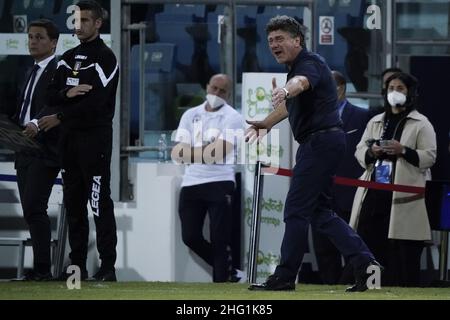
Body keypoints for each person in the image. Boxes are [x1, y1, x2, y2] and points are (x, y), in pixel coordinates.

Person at [245, 15, 378, 292]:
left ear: (297, 40)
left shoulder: (308, 64)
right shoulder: (297, 67)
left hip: (320, 143)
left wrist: (285, 89)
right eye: (270, 41)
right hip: (322, 142)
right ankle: (366, 265)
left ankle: (283, 277)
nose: (274, 45)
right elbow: (293, 100)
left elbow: (301, 84)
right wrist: (267, 123)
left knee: (296, 209)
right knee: (320, 213)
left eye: (280, 39)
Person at [38, 0, 119, 282]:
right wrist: (67, 96)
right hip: (69, 141)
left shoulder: (106, 58)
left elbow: (97, 101)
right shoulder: (67, 57)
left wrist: (61, 114)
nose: (79, 25)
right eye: (76, 20)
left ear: (98, 24)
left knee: (98, 202)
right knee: (73, 205)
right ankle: (77, 267)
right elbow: (49, 94)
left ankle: (108, 267)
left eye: (85, 20)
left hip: (94, 139)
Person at [350, 72, 437, 287]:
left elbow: (429, 156)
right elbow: (359, 150)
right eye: (390, 88)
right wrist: (372, 151)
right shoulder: (376, 121)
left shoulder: (421, 123)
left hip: (403, 197)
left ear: (410, 93)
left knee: (402, 250)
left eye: (400, 88)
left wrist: (403, 150)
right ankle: (371, 286)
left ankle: (405, 288)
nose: (394, 93)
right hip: (374, 194)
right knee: (370, 242)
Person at [171, 74, 244, 282]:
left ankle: (221, 283)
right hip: (191, 181)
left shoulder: (233, 117)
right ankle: (229, 270)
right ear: (206, 87)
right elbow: (176, 153)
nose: (217, 94)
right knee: (190, 237)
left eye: (222, 91)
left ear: (228, 94)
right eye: (214, 88)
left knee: (220, 239)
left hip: (221, 182)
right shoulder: (190, 115)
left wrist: (192, 151)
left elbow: (218, 154)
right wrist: (205, 150)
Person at [10, 19, 60, 281]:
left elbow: (57, 103)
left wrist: (35, 123)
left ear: (53, 43)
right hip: (23, 147)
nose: (33, 42)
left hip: (45, 148)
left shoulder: (58, 70)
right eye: (30, 37)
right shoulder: (27, 71)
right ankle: (41, 269)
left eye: (39, 37)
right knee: (30, 211)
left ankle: (43, 269)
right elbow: (21, 105)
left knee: (34, 206)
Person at [311, 70, 369, 285]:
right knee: (323, 248)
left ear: (340, 88)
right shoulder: (314, 116)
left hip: (349, 192)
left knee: (351, 243)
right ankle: (329, 288)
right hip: (320, 191)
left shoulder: (362, 117)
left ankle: (356, 284)